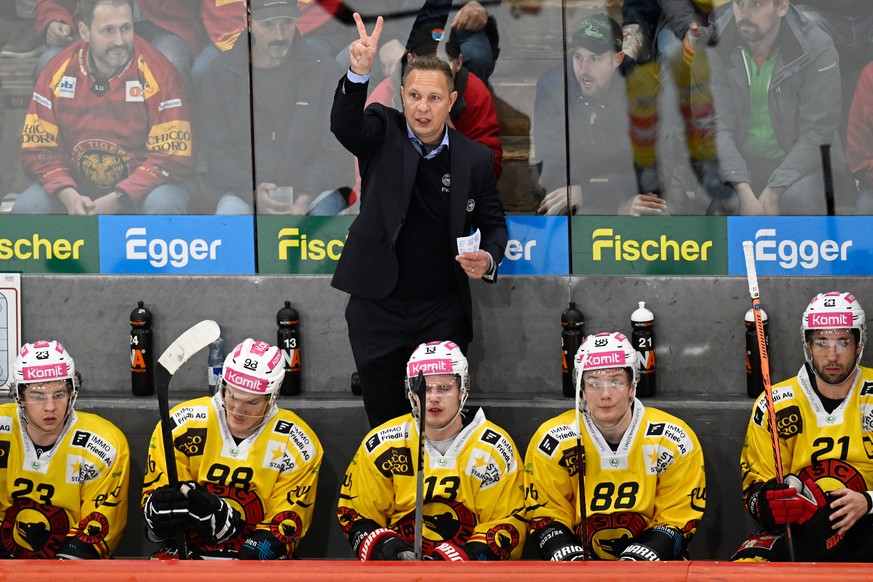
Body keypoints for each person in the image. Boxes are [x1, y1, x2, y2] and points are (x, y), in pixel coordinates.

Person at [330, 13, 507, 428]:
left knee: (440, 424)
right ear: (402, 97)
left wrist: (490, 258)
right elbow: (344, 125)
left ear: (450, 102)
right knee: (386, 424)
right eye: (414, 96)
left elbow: (495, 224)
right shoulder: (381, 130)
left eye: (433, 98)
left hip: (440, 310)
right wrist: (359, 72)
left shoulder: (474, 159)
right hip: (377, 307)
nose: (422, 108)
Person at [336, 340, 526, 561]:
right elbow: (355, 513)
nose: (433, 397)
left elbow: (506, 525)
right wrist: (388, 549)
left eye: (444, 388)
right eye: (424, 387)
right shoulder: (382, 444)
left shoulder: (494, 448)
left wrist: (452, 561)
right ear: (411, 391)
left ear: (462, 389)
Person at [525, 332, 705, 561]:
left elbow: (679, 517)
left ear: (632, 385)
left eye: (616, 381)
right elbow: (546, 513)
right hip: (580, 568)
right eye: (594, 383)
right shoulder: (552, 440)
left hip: (656, 568)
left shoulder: (672, 439)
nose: (605, 394)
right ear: (580, 389)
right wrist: (562, 551)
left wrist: (648, 552)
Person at [141, 338, 323, 559]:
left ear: (274, 395)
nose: (238, 410)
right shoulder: (182, 424)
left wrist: (238, 562)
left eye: (252, 403)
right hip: (187, 550)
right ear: (223, 385)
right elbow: (158, 520)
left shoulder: (297, 442)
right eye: (232, 396)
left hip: (253, 556)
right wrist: (159, 516)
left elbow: (284, 528)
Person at [16, 0, 194, 215]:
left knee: (164, 204)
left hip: (144, 191)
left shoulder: (160, 71)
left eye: (125, 28)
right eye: (108, 31)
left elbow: (172, 155)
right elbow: (39, 150)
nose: (119, 41)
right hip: (78, 191)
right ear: (84, 31)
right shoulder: (57, 69)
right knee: (29, 207)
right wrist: (70, 196)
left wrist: (118, 198)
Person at [733, 292, 873, 562]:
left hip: (868, 522)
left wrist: (867, 501)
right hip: (801, 529)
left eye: (842, 341)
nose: (832, 355)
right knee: (747, 565)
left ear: (859, 343)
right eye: (821, 341)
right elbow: (754, 490)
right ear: (808, 344)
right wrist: (770, 501)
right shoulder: (774, 403)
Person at [200, 0, 353, 215]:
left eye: (287, 23)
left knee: (330, 212)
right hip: (247, 194)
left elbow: (337, 145)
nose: (279, 36)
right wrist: (251, 190)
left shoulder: (324, 68)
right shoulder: (221, 74)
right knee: (230, 215)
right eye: (269, 25)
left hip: (313, 191)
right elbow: (217, 152)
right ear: (250, 23)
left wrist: (307, 194)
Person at [705, 0, 854, 215]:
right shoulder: (714, 46)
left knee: (800, 198)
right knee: (726, 203)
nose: (745, 14)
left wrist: (775, 189)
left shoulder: (815, 45)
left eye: (757, 5)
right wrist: (743, 190)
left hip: (800, 165)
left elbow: (818, 132)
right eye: (739, 3)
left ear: (782, 7)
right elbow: (714, 129)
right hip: (739, 163)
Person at [0, 340, 130, 559]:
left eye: (59, 394)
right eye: (37, 396)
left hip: (72, 561)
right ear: (20, 397)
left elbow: (96, 531)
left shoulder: (103, 443)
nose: (50, 406)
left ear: (72, 392)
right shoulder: (3, 428)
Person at [535, 14, 673, 216]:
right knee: (554, 208)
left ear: (617, 59)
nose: (583, 69)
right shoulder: (553, 88)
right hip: (579, 196)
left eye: (595, 59)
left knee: (651, 209)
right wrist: (612, 206)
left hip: (626, 195)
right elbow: (553, 171)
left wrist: (591, 193)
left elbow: (655, 171)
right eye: (578, 57)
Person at [32, 0, 200, 78]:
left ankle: (173, 145)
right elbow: (52, 3)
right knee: (50, 62)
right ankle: (56, 148)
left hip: (161, 25)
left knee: (170, 60)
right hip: (96, 26)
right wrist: (54, 20)